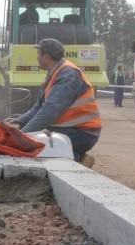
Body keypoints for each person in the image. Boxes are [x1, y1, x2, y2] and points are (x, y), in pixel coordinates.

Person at [6, 38, 101, 167]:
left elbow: (49, 111)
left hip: (84, 133)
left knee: (41, 137)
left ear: (46, 57)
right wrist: (19, 121)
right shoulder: (55, 72)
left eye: (38, 54)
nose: (36, 57)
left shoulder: (68, 75)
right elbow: (39, 107)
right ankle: (75, 155)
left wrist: (23, 135)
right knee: (36, 133)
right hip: (73, 130)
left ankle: (77, 159)